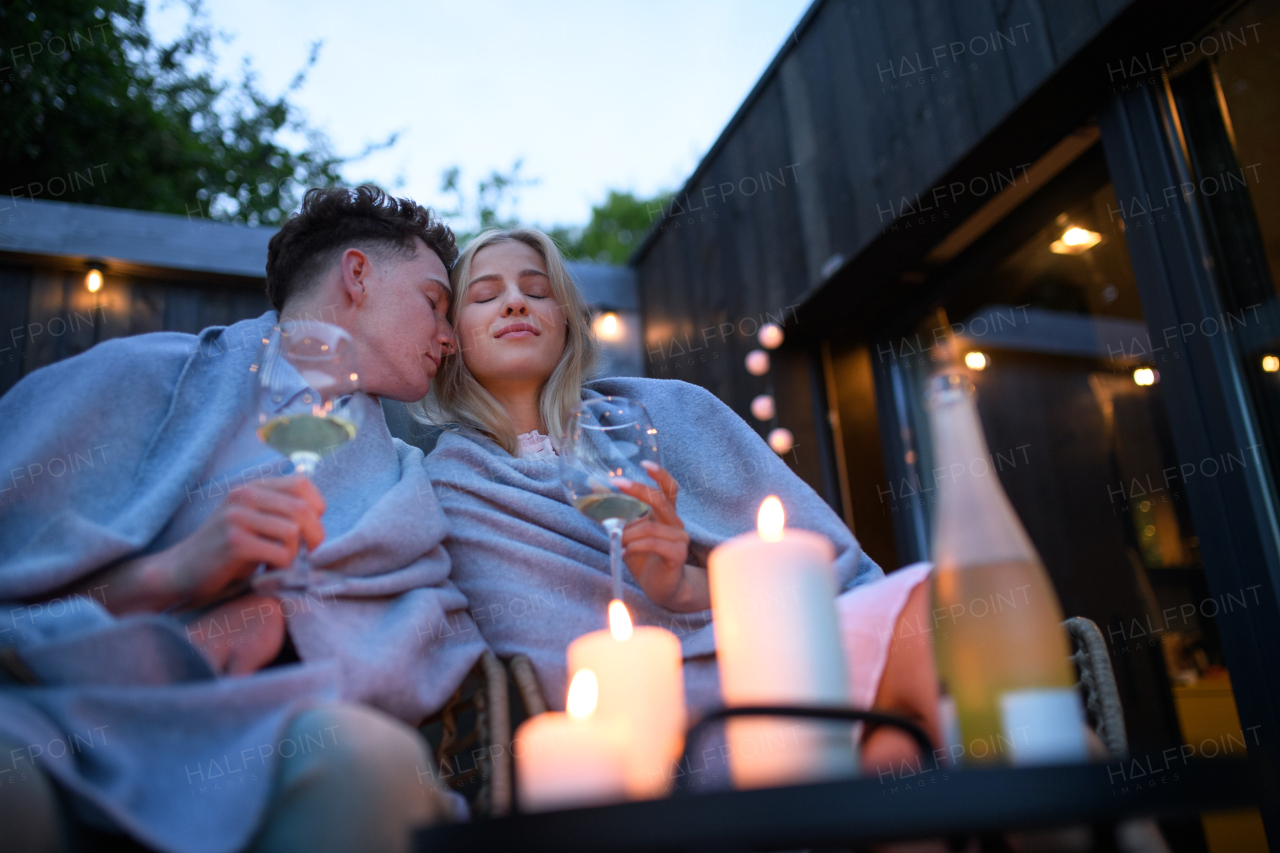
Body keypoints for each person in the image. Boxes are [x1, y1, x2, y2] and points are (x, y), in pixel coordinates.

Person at [0, 186, 487, 853]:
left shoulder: (403, 479)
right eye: (434, 301)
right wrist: (168, 574)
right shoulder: (140, 377)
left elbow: (434, 631)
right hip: (62, 703)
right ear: (356, 274)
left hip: (263, 724)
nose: (450, 337)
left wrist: (293, 622)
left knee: (372, 764)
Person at [417, 227, 940, 783]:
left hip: (786, 652)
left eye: (537, 290)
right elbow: (547, 656)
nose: (515, 301)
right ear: (451, 336)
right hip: (648, 715)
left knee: (904, 723)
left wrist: (687, 587)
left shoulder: (672, 411)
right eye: (485, 295)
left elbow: (826, 570)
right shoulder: (453, 486)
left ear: (566, 317)